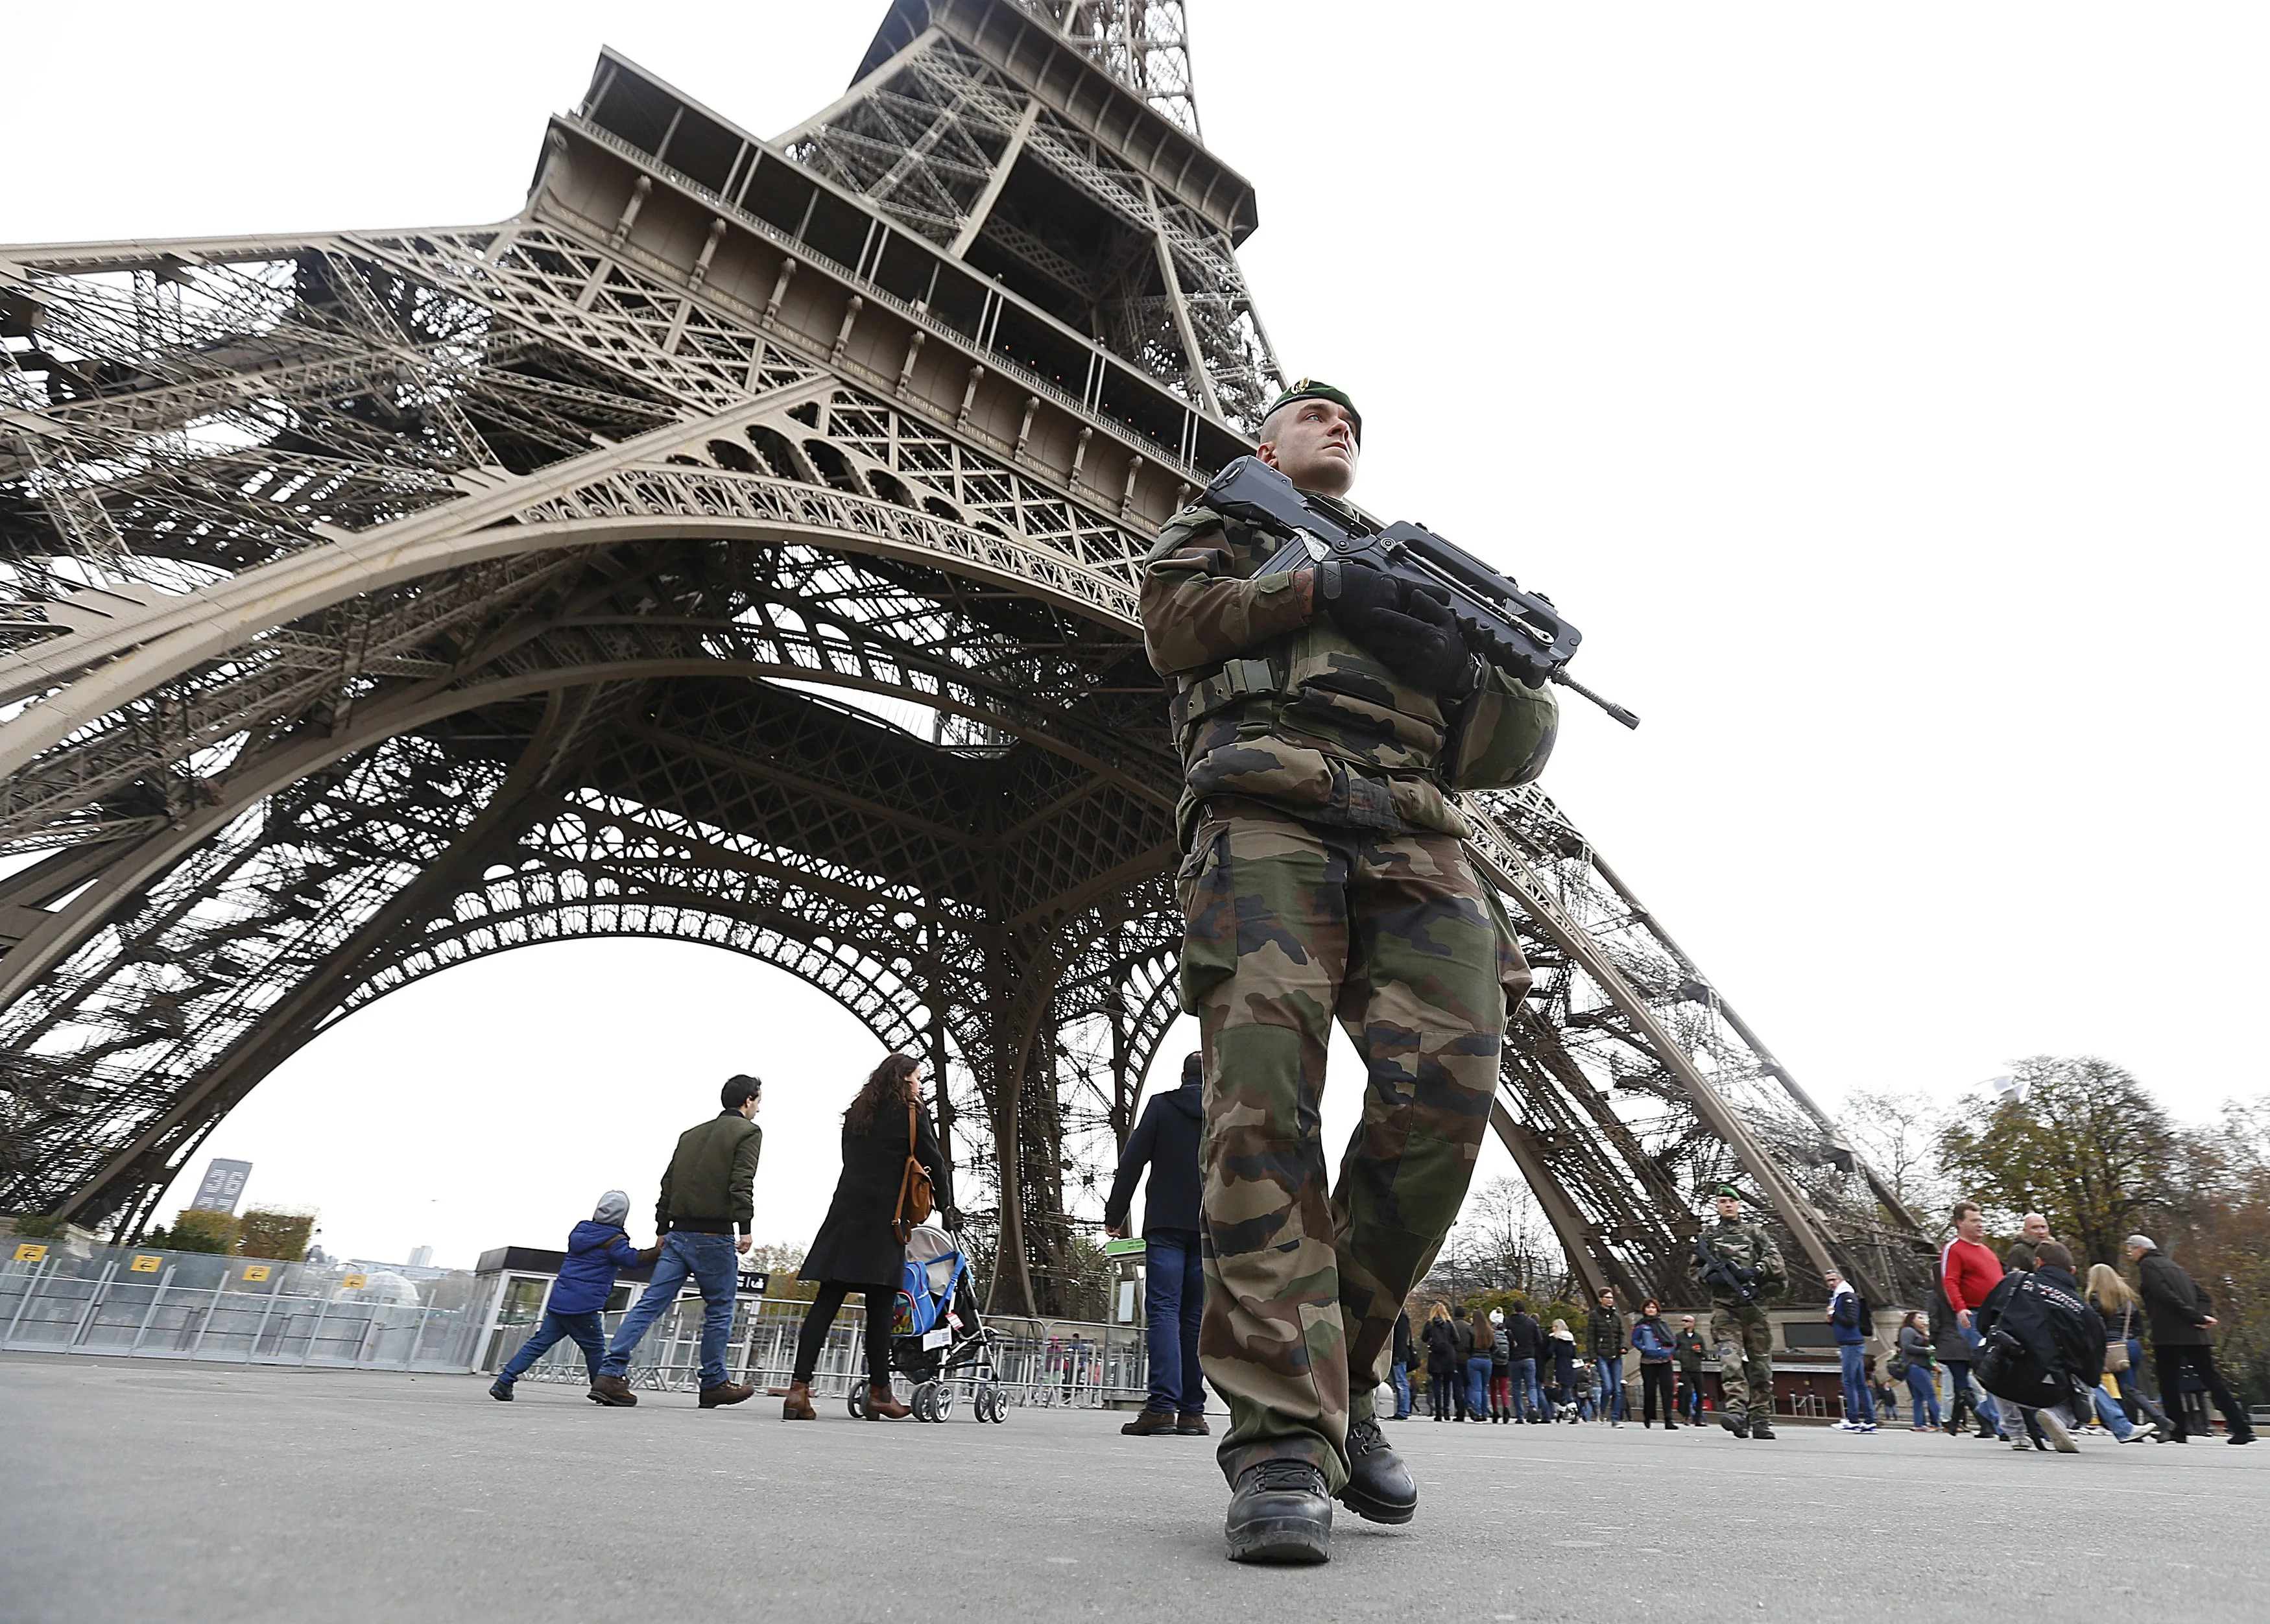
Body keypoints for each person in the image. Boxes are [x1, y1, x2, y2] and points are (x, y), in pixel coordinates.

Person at [1141, 379, 1559, 1560]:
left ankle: (1347, 1372)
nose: (1338, 425)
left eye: (1352, 421)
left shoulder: (1428, 574)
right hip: (1268, 811)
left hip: (1418, 833)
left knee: (1446, 1107)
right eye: (1313, 413)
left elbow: (1517, 746)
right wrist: (1318, 585)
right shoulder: (1231, 520)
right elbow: (1173, 626)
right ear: (1265, 443)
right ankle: (1280, 1432)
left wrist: (1470, 671)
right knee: (1262, 1100)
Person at [780, 1055, 954, 1424]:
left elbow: (850, 1162)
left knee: (826, 1303)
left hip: (845, 1215)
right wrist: (947, 1205)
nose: (920, 1085)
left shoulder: (856, 1114)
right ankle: (880, 1393)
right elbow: (934, 1161)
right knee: (880, 1309)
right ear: (905, 1079)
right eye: (917, 1078)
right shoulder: (910, 1112)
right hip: (884, 1219)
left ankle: (798, 1390)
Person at [588, 1076, 764, 1409]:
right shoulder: (748, 1132)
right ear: (749, 1100)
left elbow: (667, 1183)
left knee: (649, 1305)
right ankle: (713, 1382)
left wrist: (662, 1226)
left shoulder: (690, 1135)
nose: (758, 1108)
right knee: (720, 1309)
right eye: (759, 1101)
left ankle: (610, 1374)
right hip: (714, 1235)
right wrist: (746, 1227)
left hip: (678, 1232)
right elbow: (742, 1182)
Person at [1104, 1052, 1208, 1437]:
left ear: (1182, 1076)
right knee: (1194, 1317)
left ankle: (1162, 1407)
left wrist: (1115, 1214)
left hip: (1166, 1224)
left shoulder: (1162, 1107)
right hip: (1208, 1227)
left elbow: (1132, 1162)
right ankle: (1193, 1412)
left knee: (1163, 1309)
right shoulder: (1224, 1112)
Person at [490, 1190, 657, 1400]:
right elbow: (633, 1260)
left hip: (561, 1301)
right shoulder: (614, 1240)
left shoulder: (581, 1232)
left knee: (537, 1344)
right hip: (584, 1306)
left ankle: (504, 1381)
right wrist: (659, 1251)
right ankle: (603, 1388)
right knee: (595, 1348)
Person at [1973, 1241, 2125, 1453]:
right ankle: (2058, 1417)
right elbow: (2093, 1362)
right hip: (2048, 1385)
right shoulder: (2084, 1311)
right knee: (2088, 1381)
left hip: (2003, 1379)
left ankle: (2016, 1434)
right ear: (2072, 1271)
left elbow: (1983, 1322)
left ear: (2038, 1263)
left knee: (1996, 1348)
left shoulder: (2014, 1282)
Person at [2129, 1235, 2254, 1445]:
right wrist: (2201, 1318)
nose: (2130, 1255)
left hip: (2170, 1334)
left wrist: (2195, 1317)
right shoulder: (2174, 1266)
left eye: (2131, 1250)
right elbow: (2203, 1296)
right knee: (2212, 1379)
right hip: (2196, 1333)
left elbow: (2164, 1296)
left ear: (2140, 1249)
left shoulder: (2148, 1266)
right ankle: (2241, 1427)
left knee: (2169, 1382)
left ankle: (2178, 1429)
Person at [1694, 1184, 1784, 1440]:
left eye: (1731, 1201)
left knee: (1761, 1366)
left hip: (1754, 1308)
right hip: (1725, 1309)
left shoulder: (1755, 1233)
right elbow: (1695, 1269)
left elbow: (1776, 1260)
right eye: (1723, 1201)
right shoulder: (1708, 1237)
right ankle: (1736, 1412)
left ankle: (1761, 1419)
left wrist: (1755, 1271)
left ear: (1738, 1205)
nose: (1728, 1205)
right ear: (1717, 1206)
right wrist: (1709, 1278)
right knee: (1730, 1361)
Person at [1939, 1200, 2009, 1441]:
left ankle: (1989, 1414)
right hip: (1975, 1315)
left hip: (1996, 1316)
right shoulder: (1955, 1249)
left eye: (1981, 1220)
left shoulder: (1986, 1251)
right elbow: (1950, 1280)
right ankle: (2000, 1421)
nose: (1981, 1225)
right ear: (1960, 1223)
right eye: (1974, 1221)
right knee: (1990, 1367)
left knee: (1999, 1368)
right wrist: (1960, 1308)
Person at [2085, 1261, 2169, 1434]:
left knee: (2097, 1384)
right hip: (2131, 1345)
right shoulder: (2128, 1299)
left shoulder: (2096, 1298)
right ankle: (2146, 1424)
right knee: (2128, 1388)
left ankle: (2156, 1421)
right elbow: (2139, 1327)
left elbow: (2094, 1326)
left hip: (2111, 1348)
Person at [1824, 1268, 1876, 1433]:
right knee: (1860, 1383)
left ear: (1841, 1279)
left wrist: (1834, 1314)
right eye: (1828, 1281)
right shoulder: (1839, 1297)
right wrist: (1831, 1320)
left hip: (1851, 1344)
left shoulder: (1847, 1296)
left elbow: (1851, 1320)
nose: (1831, 1283)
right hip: (1851, 1342)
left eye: (1834, 1279)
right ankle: (1869, 1420)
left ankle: (1853, 1419)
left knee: (1849, 1381)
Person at [1630, 1298, 1678, 1429]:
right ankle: (1648, 1416)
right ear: (1644, 1310)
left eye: (1653, 1307)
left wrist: (1669, 1351)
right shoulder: (1640, 1326)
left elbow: (1672, 1340)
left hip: (1664, 1361)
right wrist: (1644, 1348)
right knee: (1650, 1390)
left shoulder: (1663, 1324)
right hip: (1648, 1362)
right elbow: (1635, 1340)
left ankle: (1668, 1419)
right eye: (1648, 1307)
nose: (1651, 1309)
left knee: (1667, 1390)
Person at [1586, 1286, 1628, 1426]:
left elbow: (1621, 1334)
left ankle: (1615, 1419)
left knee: (1617, 1389)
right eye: (1607, 1298)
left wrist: (1623, 1346)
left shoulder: (1616, 1317)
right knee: (1608, 1387)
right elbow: (1590, 1337)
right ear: (1600, 1299)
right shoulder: (1594, 1316)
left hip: (1615, 1355)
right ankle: (1602, 1411)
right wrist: (1592, 1355)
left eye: (1611, 1298)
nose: (1610, 1300)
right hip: (1601, 1355)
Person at [1896, 1310, 1941, 1431]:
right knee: (1931, 1394)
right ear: (1912, 1319)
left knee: (1918, 1397)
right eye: (1920, 1318)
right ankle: (1942, 1421)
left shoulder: (1917, 1332)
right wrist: (1927, 1351)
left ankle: (1919, 1423)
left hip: (1920, 1366)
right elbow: (1907, 1347)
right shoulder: (1908, 1331)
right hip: (1915, 1366)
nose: (1923, 1321)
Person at [1507, 1300, 1544, 1423]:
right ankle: (1533, 1407)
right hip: (1529, 1357)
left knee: (1516, 1387)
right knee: (1531, 1386)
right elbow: (1539, 1340)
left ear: (1514, 1309)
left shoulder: (1509, 1323)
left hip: (1514, 1358)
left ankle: (1520, 1415)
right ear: (1524, 1310)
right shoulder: (1531, 1323)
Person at [1422, 1302, 1459, 1421]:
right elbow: (1457, 1339)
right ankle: (1447, 1411)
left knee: (1437, 1385)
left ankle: (1438, 1412)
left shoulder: (1430, 1324)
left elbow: (1424, 1338)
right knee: (1448, 1385)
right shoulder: (1449, 1324)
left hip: (1435, 1356)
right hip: (1449, 1356)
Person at [1673, 1313, 1707, 1424]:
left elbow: (1705, 1354)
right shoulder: (1679, 1336)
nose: (1684, 1323)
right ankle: (1686, 1416)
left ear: (1693, 1323)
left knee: (1700, 1394)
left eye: (1687, 1321)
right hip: (1686, 1369)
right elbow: (1673, 1350)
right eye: (1683, 1321)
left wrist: (1699, 1351)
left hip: (1697, 1369)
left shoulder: (1699, 1337)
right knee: (1686, 1393)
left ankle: (1698, 1419)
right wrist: (1681, 1357)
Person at [1465, 1306, 1495, 1424]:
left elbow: (1467, 1346)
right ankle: (1484, 1412)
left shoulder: (1471, 1330)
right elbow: (1495, 1347)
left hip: (1474, 1359)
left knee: (1476, 1387)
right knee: (1484, 1388)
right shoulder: (1489, 1331)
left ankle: (1477, 1411)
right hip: (1487, 1360)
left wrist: (1471, 1353)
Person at [1547, 1318, 1579, 1418]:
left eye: (1554, 1326)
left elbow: (1550, 1351)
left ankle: (1574, 1410)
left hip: (1560, 1363)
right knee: (1564, 1389)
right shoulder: (1570, 1338)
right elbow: (1574, 1354)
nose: (1552, 1328)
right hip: (1569, 1364)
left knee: (1564, 1388)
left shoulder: (1556, 1338)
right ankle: (1562, 1411)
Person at [1389, 1306, 1415, 1421]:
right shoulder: (1401, 1316)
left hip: (1399, 1355)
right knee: (1398, 1383)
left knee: (1400, 1383)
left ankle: (1403, 1410)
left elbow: (1401, 1339)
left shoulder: (1401, 1317)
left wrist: (1397, 1356)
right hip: (1397, 1354)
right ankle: (1402, 1410)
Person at [1487, 1309, 1512, 1423]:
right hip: (1505, 1363)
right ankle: (1506, 1407)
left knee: (1493, 1389)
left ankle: (1496, 1412)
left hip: (1493, 1363)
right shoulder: (1508, 1333)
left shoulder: (1491, 1333)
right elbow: (1513, 1346)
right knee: (1503, 1389)